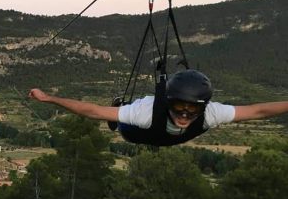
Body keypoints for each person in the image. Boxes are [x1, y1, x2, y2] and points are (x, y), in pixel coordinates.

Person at [29, 69, 288, 147]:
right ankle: (119, 113)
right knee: (122, 121)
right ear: (168, 102)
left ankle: (121, 111)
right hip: (139, 131)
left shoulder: (210, 112)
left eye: (192, 110)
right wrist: (50, 99)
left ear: (203, 107)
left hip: (168, 138)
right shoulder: (145, 111)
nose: (185, 115)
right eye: (178, 107)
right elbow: (93, 111)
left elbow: (257, 111)